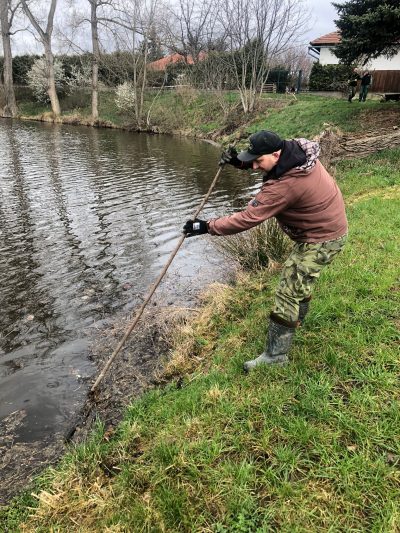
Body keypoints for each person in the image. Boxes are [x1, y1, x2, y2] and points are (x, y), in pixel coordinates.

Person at [183, 131, 348, 371]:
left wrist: (206, 226)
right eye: (253, 160)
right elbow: (269, 167)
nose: (256, 165)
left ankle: (276, 357)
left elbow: (247, 219)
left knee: (288, 291)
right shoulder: (296, 153)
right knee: (301, 281)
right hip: (327, 228)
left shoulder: (286, 185)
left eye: (258, 161)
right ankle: (295, 321)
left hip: (322, 238)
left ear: (276, 153)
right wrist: (240, 162)